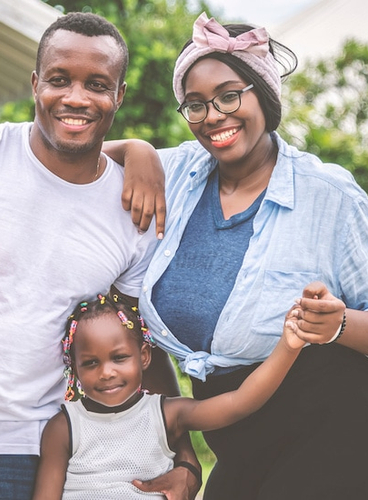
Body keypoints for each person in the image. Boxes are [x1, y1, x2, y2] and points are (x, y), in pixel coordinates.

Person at [0, 12, 200, 500]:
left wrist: (184, 458)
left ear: (119, 96)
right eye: (60, 80)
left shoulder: (133, 214)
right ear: (35, 83)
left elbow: (139, 350)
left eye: (97, 84)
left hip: (24, 457)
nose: (76, 98)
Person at [104, 11, 368, 500]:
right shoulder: (174, 175)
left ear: (264, 95)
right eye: (197, 104)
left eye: (229, 96)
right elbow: (73, 153)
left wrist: (338, 324)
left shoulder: (330, 196)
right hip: (234, 438)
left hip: (334, 430)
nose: (214, 116)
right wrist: (135, 147)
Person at [32, 289, 307, 500]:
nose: (106, 372)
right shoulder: (64, 427)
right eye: (91, 363)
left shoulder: (166, 414)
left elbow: (239, 403)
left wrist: (288, 347)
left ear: (144, 356)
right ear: (74, 368)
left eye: (119, 358)